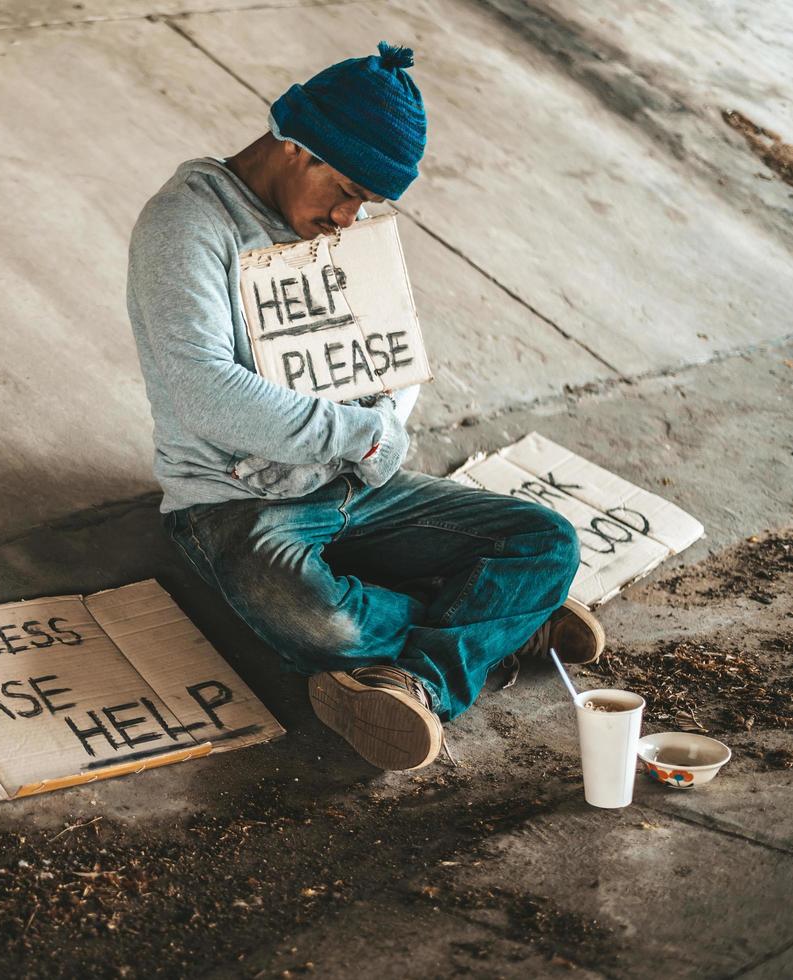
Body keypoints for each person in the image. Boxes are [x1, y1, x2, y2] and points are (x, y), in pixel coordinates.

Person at [125, 42, 603, 771]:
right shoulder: (186, 226)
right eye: (346, 190)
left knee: (546, 543)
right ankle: (493, 624)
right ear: (296, 148)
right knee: (325, 626)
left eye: (368, 204)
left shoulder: (333, 228)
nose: (350, 217)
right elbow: (204, 391)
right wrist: (361, 432)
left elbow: (389, 358)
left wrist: (382, 416)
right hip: (237, 502)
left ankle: (417, 677)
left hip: (356, 487)